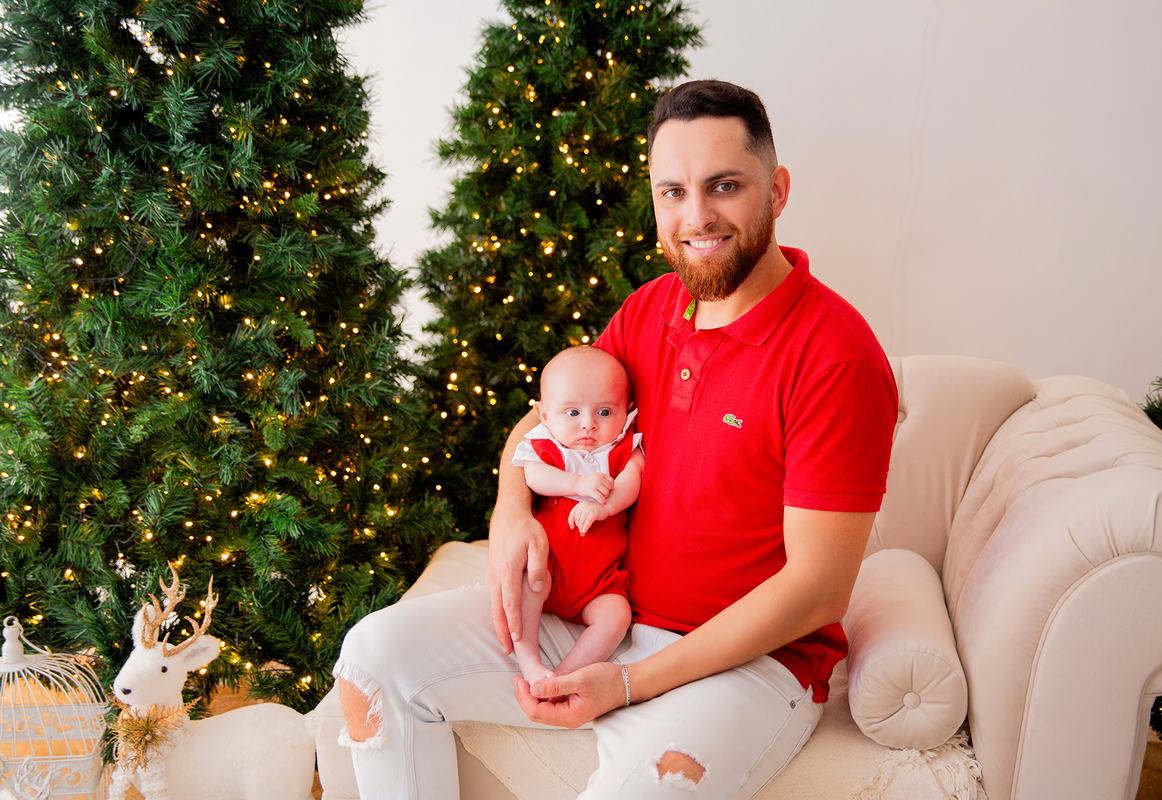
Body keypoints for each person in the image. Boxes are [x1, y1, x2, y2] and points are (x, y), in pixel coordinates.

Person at [334, 79, 898, 799]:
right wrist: (509, 513)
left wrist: (628, 683)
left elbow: (817, 590)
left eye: (724, 186)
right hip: (602, 609)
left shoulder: (837, 358)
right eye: (673, 192)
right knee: (371, 661)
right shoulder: (652, 308)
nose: (696, 216)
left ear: (778, 189)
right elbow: (549, 419)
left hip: (749, 664)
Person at [511, 346, 643, 685]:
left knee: (617, 616)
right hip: (548, 565)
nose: (588, 425)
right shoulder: (544, 444)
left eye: (603, 411)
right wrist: (578, 483)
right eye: (572, 413)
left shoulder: (624, 447)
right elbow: (533, 476)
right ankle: (529, 660)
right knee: (525, 586)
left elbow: (631, 482)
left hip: (598, 582)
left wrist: (604, 507)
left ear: (627, 411)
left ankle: (564, 675)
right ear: (543, 414)